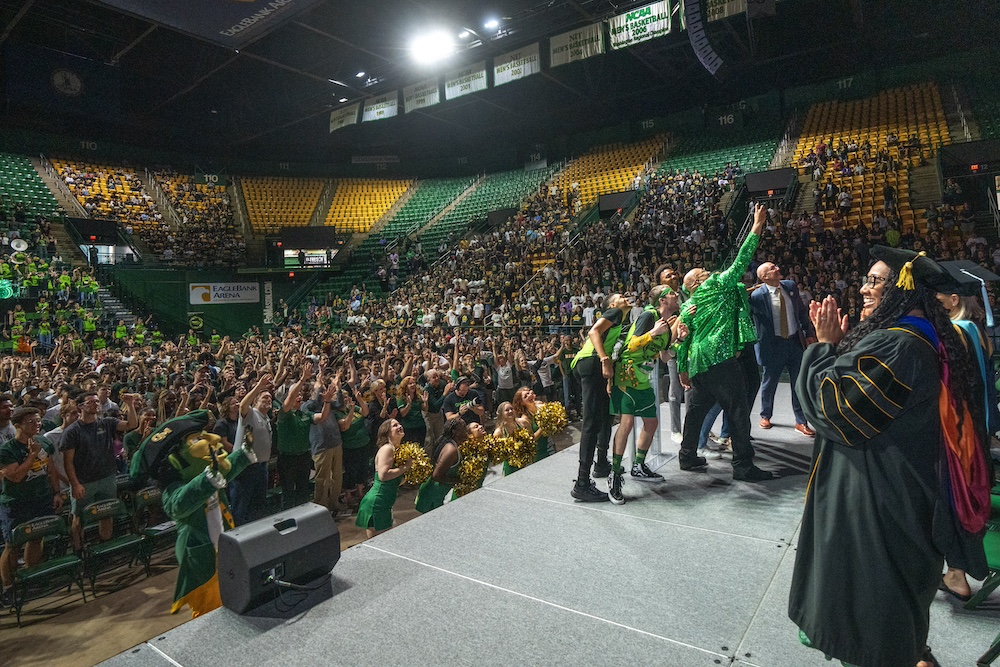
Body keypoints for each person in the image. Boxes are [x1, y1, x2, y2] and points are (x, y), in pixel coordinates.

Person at [789, 247, 991, 667]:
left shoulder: (899, 345)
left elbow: (832, 410)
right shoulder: (929, 336)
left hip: (878, 502)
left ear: (904, 289)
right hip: (904, 490)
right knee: (894, 605)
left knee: (871, 616)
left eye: (876, 280)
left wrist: (824, 347)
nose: (864, 288)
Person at [675, 204, 774, 482]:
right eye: (699, 271)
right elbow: (742, 260)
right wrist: (756, 226)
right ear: (695, 282)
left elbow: (683, 341)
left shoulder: (689, 306)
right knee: (738, 409)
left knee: (695, 412)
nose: (705, 270)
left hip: (698, 363)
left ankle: (687, 456)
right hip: (719, 358)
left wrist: (683, 368)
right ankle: (743, 466)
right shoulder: (716, 284)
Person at [934, 283, 998, 601]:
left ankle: (956, 573)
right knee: (966, 494)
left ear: (954, 299)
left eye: (940, 297)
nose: (936, 302)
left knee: (954, 498)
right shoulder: (976, 329)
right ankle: (955, 572)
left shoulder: (957, 331)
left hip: (960, 430)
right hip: (979, 426)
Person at [608, 285, 685, 504]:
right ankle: (614, 474)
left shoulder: (668, 324)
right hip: (626, 375)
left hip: (643, 378)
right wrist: (652, 333)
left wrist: (678, 341)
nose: (676, 295)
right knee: (627, 423)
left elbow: (663, 357)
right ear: (662, 300)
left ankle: (638, 466)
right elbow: (630, 347)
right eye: (671, 293)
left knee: (651, 423)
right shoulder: (648, 317)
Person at [568, 293, 629, 502]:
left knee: (605, 417)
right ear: (612, 304)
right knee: (591, 423)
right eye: (621, 296)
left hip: (589, 364)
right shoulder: (615, 312)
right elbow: (594, 332)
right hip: (592, 361)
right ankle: (582, 484)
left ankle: (601, 464)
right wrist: (604, 359)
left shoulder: (621, 318)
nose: (626, 297)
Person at [0, 407, 63, 600]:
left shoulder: (43, 441)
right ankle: (8, 587)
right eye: (31, 422)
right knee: (13, 545)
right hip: (16, 502)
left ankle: (30, 576)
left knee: (37, 538)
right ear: (17, 425)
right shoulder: (7, 450)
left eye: (38, 421)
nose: (37, 425)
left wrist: (56, 492)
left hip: (41, 498)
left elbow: (50, 468)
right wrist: (32, 455)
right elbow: (16, 476)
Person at [62, 391, 139, 547]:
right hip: (84, 481)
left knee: (107, 512)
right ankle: (79, 550)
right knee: (79, 518)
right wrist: (75, 484)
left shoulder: (106, 422)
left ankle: (105, 545)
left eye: (96, 401)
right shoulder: (72, 431)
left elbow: (132, 425)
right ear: (80, 406)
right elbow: (68, 462)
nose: (95, 404)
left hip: (107, 477)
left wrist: (130, 405)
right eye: (90, 402)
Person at [749, 262, 816, 436]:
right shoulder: (756, 296)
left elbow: (801, 312)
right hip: (773, 346)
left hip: (794, 343)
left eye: (776, 266)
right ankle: (765, 415)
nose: (777, 268)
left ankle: (801, 421)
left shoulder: (790, 286)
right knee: (769, 383)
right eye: (772, 268)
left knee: (798, 383)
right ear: (764, 277)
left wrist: (808, 332)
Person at [277, 366, 336, 509]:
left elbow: (322, 417)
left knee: (303, 490)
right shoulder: (284, 414)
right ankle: (288, 519)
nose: (299, 397)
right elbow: (290, 398)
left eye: (300, 396)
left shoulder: (304, 414)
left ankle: (304, 518)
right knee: (288, 492)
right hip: (287, 459)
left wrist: (327, 402)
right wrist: (303, 379)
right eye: (296, 396)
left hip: (303, 456)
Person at [355, 419, 411, 538]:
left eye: (399, 424)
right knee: (379, 544)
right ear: (387, 433)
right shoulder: (387, 449)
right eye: (395, 425)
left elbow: (395, 481)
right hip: (377, 503)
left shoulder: (396, 450)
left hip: (385, 503)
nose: (400, 426)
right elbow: (383, 476)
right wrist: (405, 467)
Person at [234, 373, 273, 525]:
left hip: (261, 466)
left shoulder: (266, 417)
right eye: (265, 398)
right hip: (245, 467)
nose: (269, 400)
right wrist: (258, 387)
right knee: (242, 506)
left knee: (258, 505)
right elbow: (243, 405)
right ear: (256, 401)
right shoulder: (251, 414)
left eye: (270, 397)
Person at [415, 418, 468, 513]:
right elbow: (436, 476)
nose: (466, 429)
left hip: (440, 492)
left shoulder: (455, 445)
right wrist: (460, 480)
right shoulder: (451, 450)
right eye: (464, 427)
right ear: (455, 432)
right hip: (435, 493)